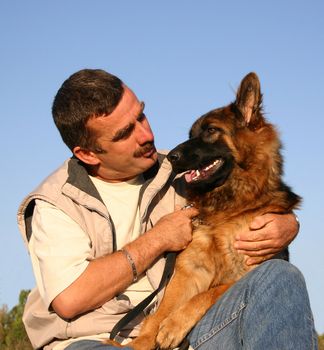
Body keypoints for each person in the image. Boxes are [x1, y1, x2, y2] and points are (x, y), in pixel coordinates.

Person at [17, 69, 317, 350]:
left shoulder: (183, 171)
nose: (146, 135)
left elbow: (253, 187)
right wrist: (158, 239)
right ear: (87, 153)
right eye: (125, 133)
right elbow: (70, 298)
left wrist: (286, 222)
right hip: (95, 340)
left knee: (282, 278)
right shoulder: (57, 203)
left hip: (184, 333)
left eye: (141, 116)